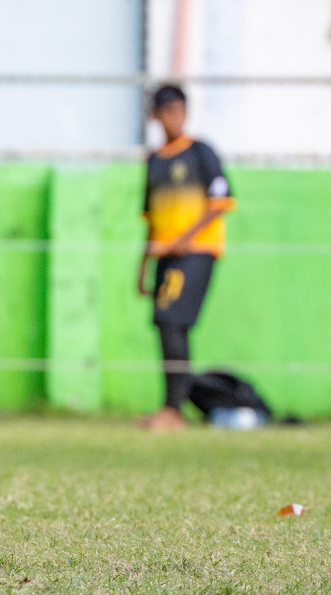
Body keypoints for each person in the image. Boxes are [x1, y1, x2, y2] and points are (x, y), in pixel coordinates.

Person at [135, 84, 235, 431]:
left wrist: (184, 240)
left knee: (172, 321)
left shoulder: (202, 152)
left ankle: (174, 410)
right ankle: (171, 407)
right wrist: (142, 266)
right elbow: (150, 219)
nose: (175, 118)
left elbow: (219, 204)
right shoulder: (155, 161)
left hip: (196, 252)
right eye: (168, 111)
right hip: (165, 256)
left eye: (180, 110)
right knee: (167, 325)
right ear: (155, 116)